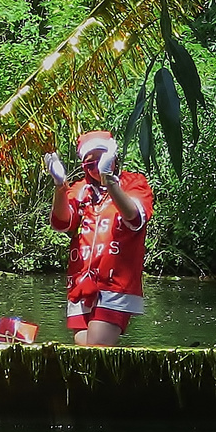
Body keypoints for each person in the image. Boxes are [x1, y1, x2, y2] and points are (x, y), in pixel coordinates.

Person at [45, 130, 153, 347]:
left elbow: (134, 217)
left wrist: (110, 181)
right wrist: (60, 187)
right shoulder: (79, 189)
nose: (95, 168)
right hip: (80, 282)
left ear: (113, 157)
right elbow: (63, 222)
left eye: (101, 160)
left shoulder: (133, 183)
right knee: (84, 355)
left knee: (97, 348)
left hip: (115, 283)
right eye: (89, 164)